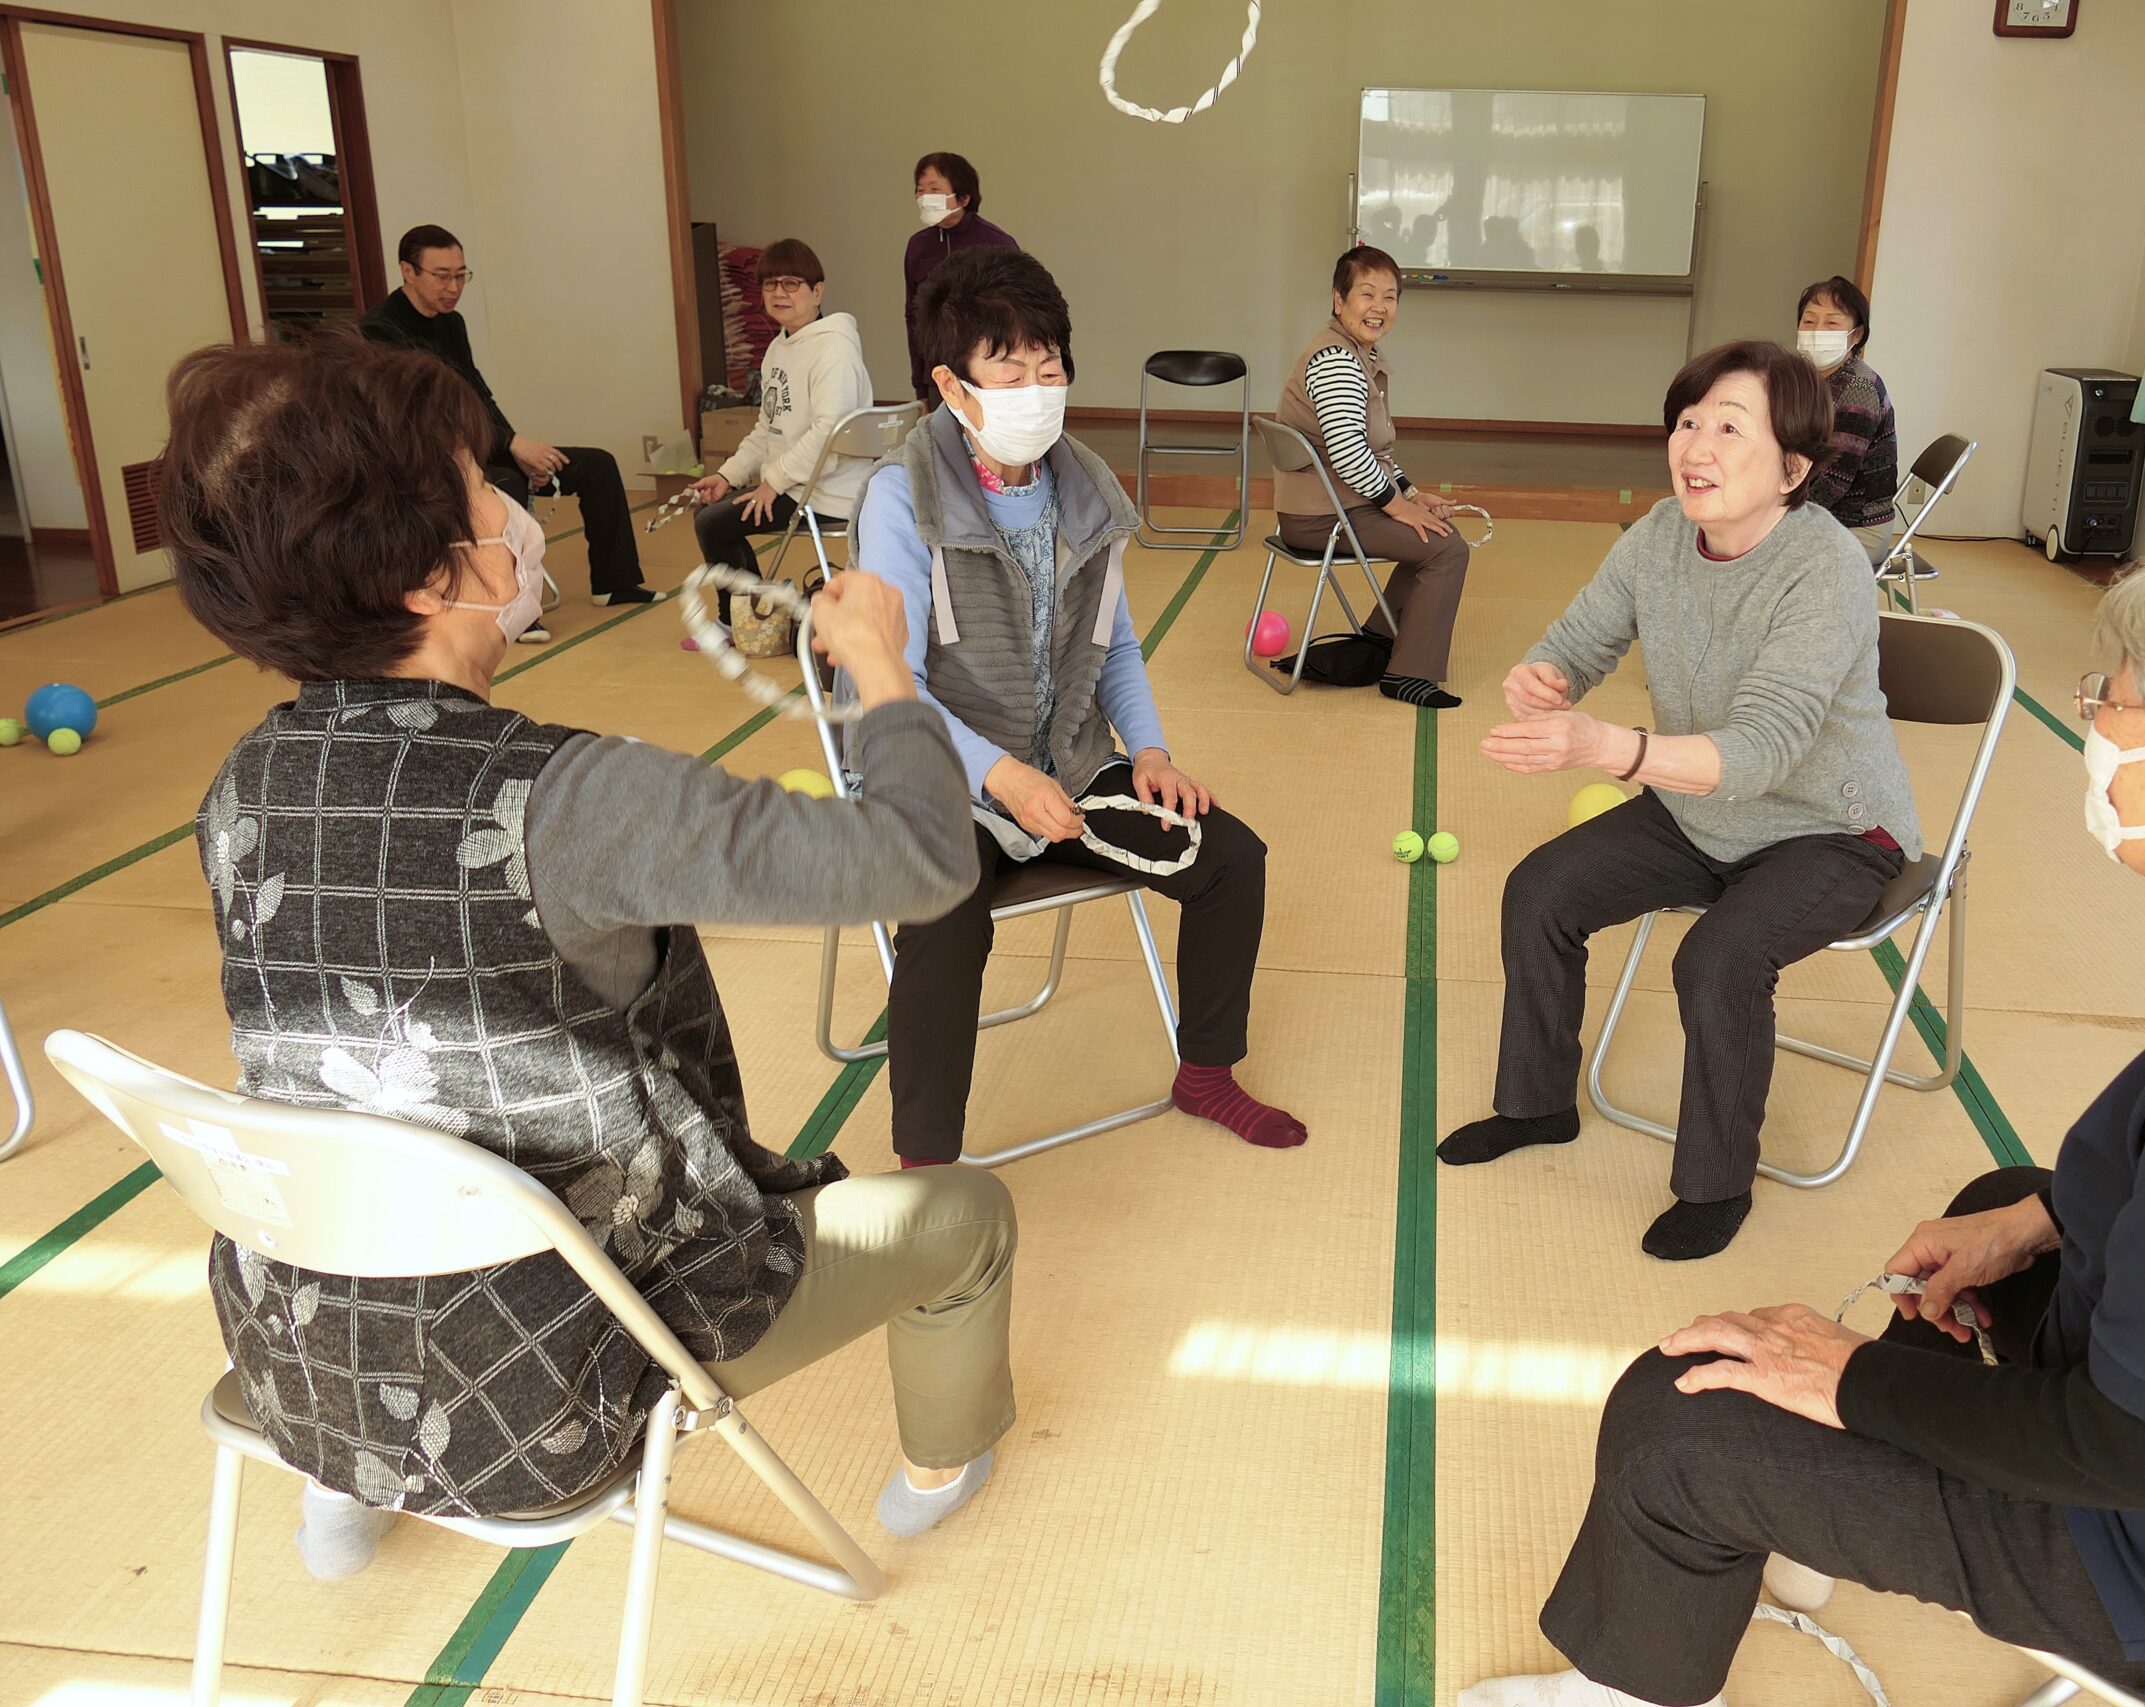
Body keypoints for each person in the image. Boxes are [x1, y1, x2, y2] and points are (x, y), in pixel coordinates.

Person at [1461, 494, 2145, 1707]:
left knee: (1679, 1414)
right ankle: (1820, 1491)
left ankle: (1633, 1683)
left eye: (2109, 703)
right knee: (2008, 1209)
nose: (2092, 726)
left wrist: (1851, 1376)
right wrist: (2047, 1217)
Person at [160, 331, 1014, 1580]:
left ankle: (343, 1480)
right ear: (429, 578)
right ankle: (947, 1465)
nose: (515, 513)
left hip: (293, 1349)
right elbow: (922, 861)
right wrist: (886, 668)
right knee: (968, 1214)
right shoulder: (574, 800)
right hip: (554, 1386)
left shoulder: (240, 787)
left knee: (372, 1118)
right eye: (480, 491)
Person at [1440, 341, 1917, 1262]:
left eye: (1729, 428)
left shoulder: (1824, 567)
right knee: (1539, 892)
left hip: (1832, 829)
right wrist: (1547, 675)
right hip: (1699, 809)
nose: (1695, 445)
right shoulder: (1661, 533)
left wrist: (1607, 748)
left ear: (1792, 468)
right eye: (1688, 422)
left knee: (1718, 959)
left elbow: (1763, 750)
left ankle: (1715, 1184)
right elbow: (1582, 636)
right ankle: (1536, 1105)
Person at [860, 246, 1307, 1163]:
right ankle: (926, 1165)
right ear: (951, 385)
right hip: (942, 774)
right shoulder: (902, 496)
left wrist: (1150, 752)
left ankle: (1206, 1074)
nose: (1037, 388)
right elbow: (890, 688)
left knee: (1231, 858)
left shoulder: (1084, 486)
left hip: (1069, 761)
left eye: (1050, 365)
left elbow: (1117, 644)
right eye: (1008, 370)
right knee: (944, 906)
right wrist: (1001, 776)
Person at [361, 224, 658, 637]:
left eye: (461, 275)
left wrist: (513, 444)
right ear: (408, 272)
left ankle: (615, 583)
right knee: (505, 484)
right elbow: (418, 413)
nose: (453, 287)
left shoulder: (451, 323)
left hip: (476, 444)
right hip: (425, 458)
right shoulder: (379, 329)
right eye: (442, 276)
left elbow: (476, 391)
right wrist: (509, 446)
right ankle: (515, 613)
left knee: (597, 466)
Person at [1273, 246, 1471, 709]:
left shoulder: (1359, 352)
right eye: (1367, 294)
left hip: (1340, 505)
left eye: (1390, 296)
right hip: (1324, 516)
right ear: (1339, 299)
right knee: (1447, 549)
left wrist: (1411, 494)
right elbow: (1348, 455)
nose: (1379, 307)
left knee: (1432, 535)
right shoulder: (1337, 360)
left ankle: (1382, 641)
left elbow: (1374, 453)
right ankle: (1408, 675)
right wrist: (1398, 507)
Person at [687, 238, 874, 633]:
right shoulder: (779, 347)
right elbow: (767, 428)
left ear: (817, 291)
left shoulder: (834, 349)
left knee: (713, 523)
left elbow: (830, 433)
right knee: (709, 513)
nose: (779, 293)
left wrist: (773, 481)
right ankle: (752, 614)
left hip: (828, 490)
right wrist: (728, 476)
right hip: (796, 483)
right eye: (770, 284)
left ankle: (738, 622)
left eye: (791, 283)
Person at [1793, 275, 1900, 565]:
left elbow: (1834, 482)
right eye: (1809, 321)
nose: (1817, 330)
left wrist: (1775, 517)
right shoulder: (1806, 378)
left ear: (1855, 335)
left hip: (1855, 527)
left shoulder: (1859, 388)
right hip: (1820, 515)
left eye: (1831, 323)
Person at [903, 152, 1015, 404]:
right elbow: (913, 316)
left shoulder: (996, 242)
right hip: (938, 374)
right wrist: (921, 385)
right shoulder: (917, 246)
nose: (924, 197)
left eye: (934, 189)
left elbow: (1015, 314)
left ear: (963, 197)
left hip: (987, 374)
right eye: (920, 190)